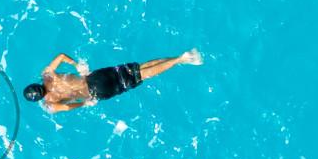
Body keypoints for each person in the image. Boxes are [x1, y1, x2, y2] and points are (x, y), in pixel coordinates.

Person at [22, 49, 203, 112]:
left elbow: (68, 106)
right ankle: (176, 58)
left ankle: (180, 59)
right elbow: (61, 56)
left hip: (96, 92)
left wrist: (85, 103)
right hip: (94, 77)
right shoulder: (47, 75)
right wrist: (77, 65)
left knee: (143, 76)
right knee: (137, 69)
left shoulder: (50, 104)